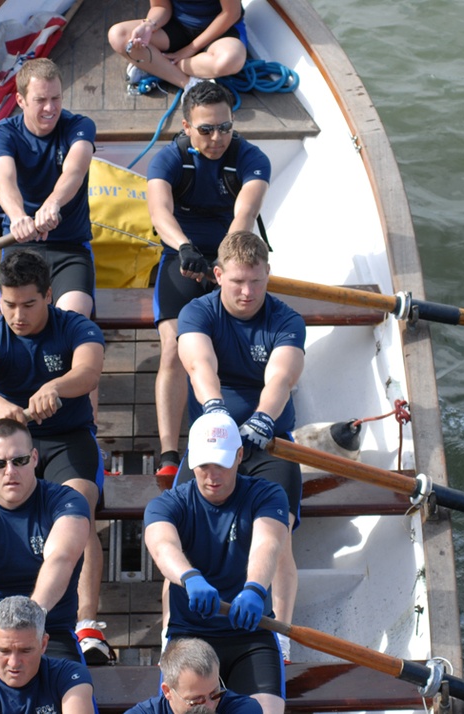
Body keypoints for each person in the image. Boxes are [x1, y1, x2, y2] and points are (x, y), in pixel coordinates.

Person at [0, 249, 112, 664]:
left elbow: (89, 371)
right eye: (8, 305)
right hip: (9, 442)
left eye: (28, 304)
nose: (18, 315)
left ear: (48, 295)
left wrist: (56, 387)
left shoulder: (76, 327)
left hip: (66, 438)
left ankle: (85, 624)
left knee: (78, 509)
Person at [175, 230, 305, 661]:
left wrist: (262, 419)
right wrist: (214, 408)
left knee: (279, 532)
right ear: (217, 275)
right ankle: (172, 637)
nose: (248, 292)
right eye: (236, 282)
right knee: (180, 536)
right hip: (213, 443)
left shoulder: (287, 320)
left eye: (256, 281)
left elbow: (281, 378)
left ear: (268, 275)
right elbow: (199, 363)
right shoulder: (198, 312)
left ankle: (280, 635)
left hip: (268, 445)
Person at [144, 81, 271, 477]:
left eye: (225, 127)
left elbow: (243, 217)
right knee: (172, 348)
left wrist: (222, 263)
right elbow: (160, 213)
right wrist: (184, 248)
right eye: (205, 130)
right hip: (181, 256)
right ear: (185, 126)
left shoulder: (252, 158)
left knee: (242, 344)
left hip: (233, 257)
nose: (217, 138)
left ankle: (250, 427)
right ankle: (169, 453)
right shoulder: (168, 160)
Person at [144, 413, 289, 714]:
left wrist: (254, 589)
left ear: (238, 456)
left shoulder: (267, 494)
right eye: (204, 465)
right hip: (189, 636)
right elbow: (161, 545)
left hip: (251, 633)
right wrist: (189, 577)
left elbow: (267, 543)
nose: (212, 476)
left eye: (221, 464)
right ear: (192, 460)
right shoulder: (168, 504)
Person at [0, 419, 91, 675]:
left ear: (34, 458)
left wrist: (33, 619)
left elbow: (61, 558)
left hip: (48, 633)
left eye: (19, 461)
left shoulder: (66, 501)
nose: (10, 471)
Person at [0, 57, 96, 319]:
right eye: (40, 100)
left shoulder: (79, 126)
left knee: (72, 318)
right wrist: (17, 217)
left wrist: (53, 203)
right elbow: (5, 182)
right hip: (20, 245)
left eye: (56, 98)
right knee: (22, 320)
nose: (50, 108)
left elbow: (75, 170)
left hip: (71, 246)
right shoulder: (2, 134)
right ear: (20, 100)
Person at [0, 595, 96, 714]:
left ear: (43, 644)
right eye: (4, 651)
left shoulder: (70, 675)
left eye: (25, 650)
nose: (14, 663)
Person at [107, 0, 247, 92]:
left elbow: (231, 13)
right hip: (177, 25)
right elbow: (161, 7)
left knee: (230, 60)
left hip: (220, 29)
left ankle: (158, 67)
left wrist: (190, 49)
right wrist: (149, 24)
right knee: (118, 35)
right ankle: (190, 85)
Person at [124, 637, 261, 714]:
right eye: (196, 701)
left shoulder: (244, 709)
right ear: (167, 691)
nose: (209, 705)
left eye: (215, 694)